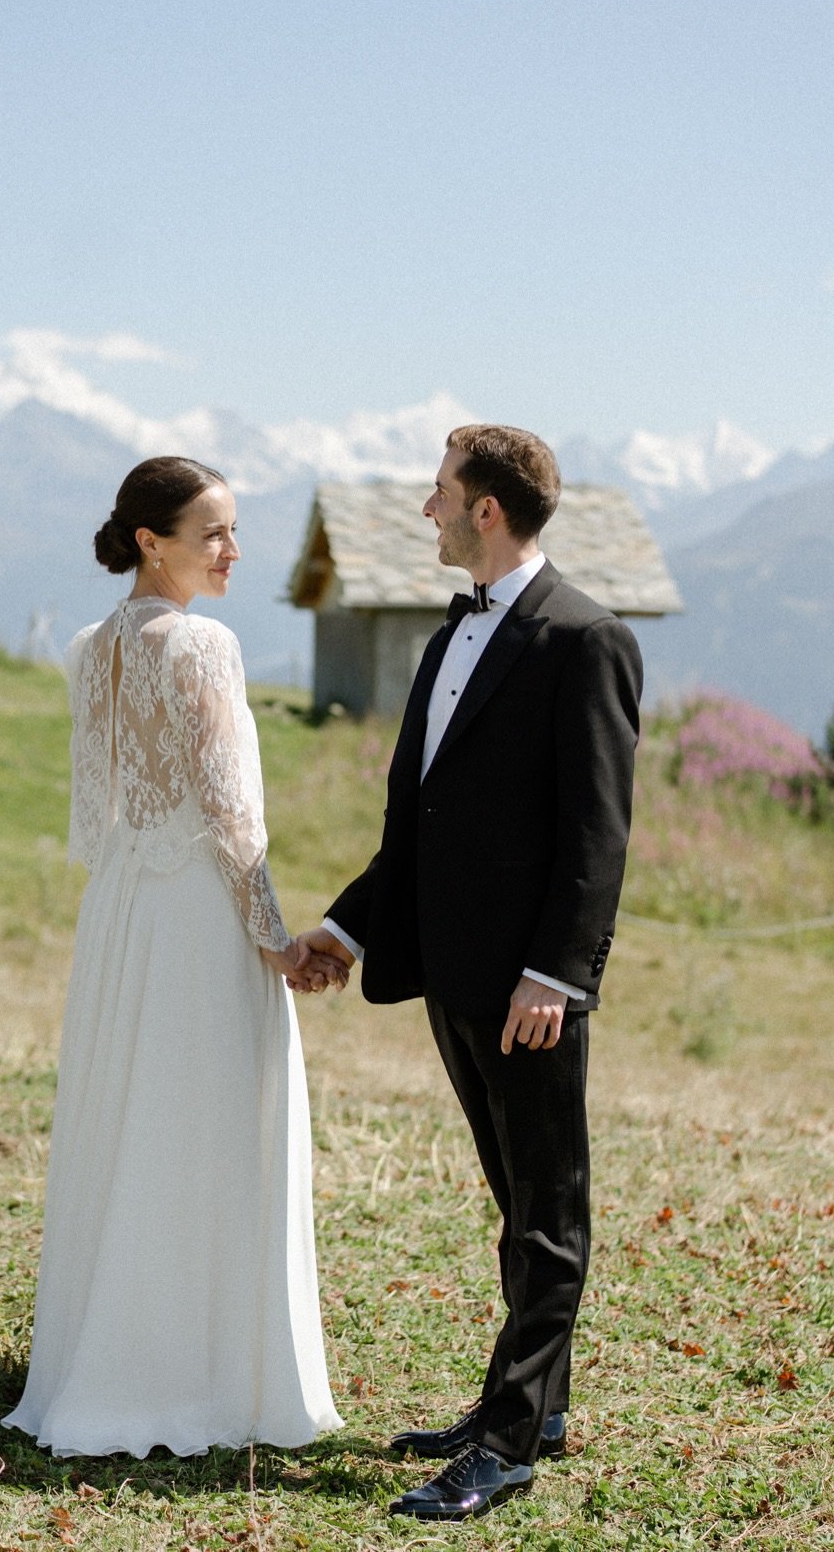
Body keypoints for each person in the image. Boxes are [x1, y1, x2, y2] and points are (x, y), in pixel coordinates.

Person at [294, 424, 642, 1522]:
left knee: (549, 1212)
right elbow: (423, 825)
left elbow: (598, 833)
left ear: (486, 508)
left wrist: (559, 972)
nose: (427, 509)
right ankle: (535, 1407)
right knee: (514, 1196)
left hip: (530, 988)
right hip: (453, 974)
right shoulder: (452, 641)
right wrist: (347, 932)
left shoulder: (587, 639)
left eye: (439, 492)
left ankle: (504, 1444)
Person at [3, 456, 344, 1458]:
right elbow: (232, 811)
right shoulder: (201, 644)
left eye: (234, 530)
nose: (234, 551)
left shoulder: (88, 644)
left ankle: (110, 1351)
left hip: (120, 912)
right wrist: (276, 934)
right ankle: (196, 1373)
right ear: (153, 541)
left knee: (132, 1116)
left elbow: (103, 807)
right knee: (207, 1118)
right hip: (196, 913)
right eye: (215, 534)